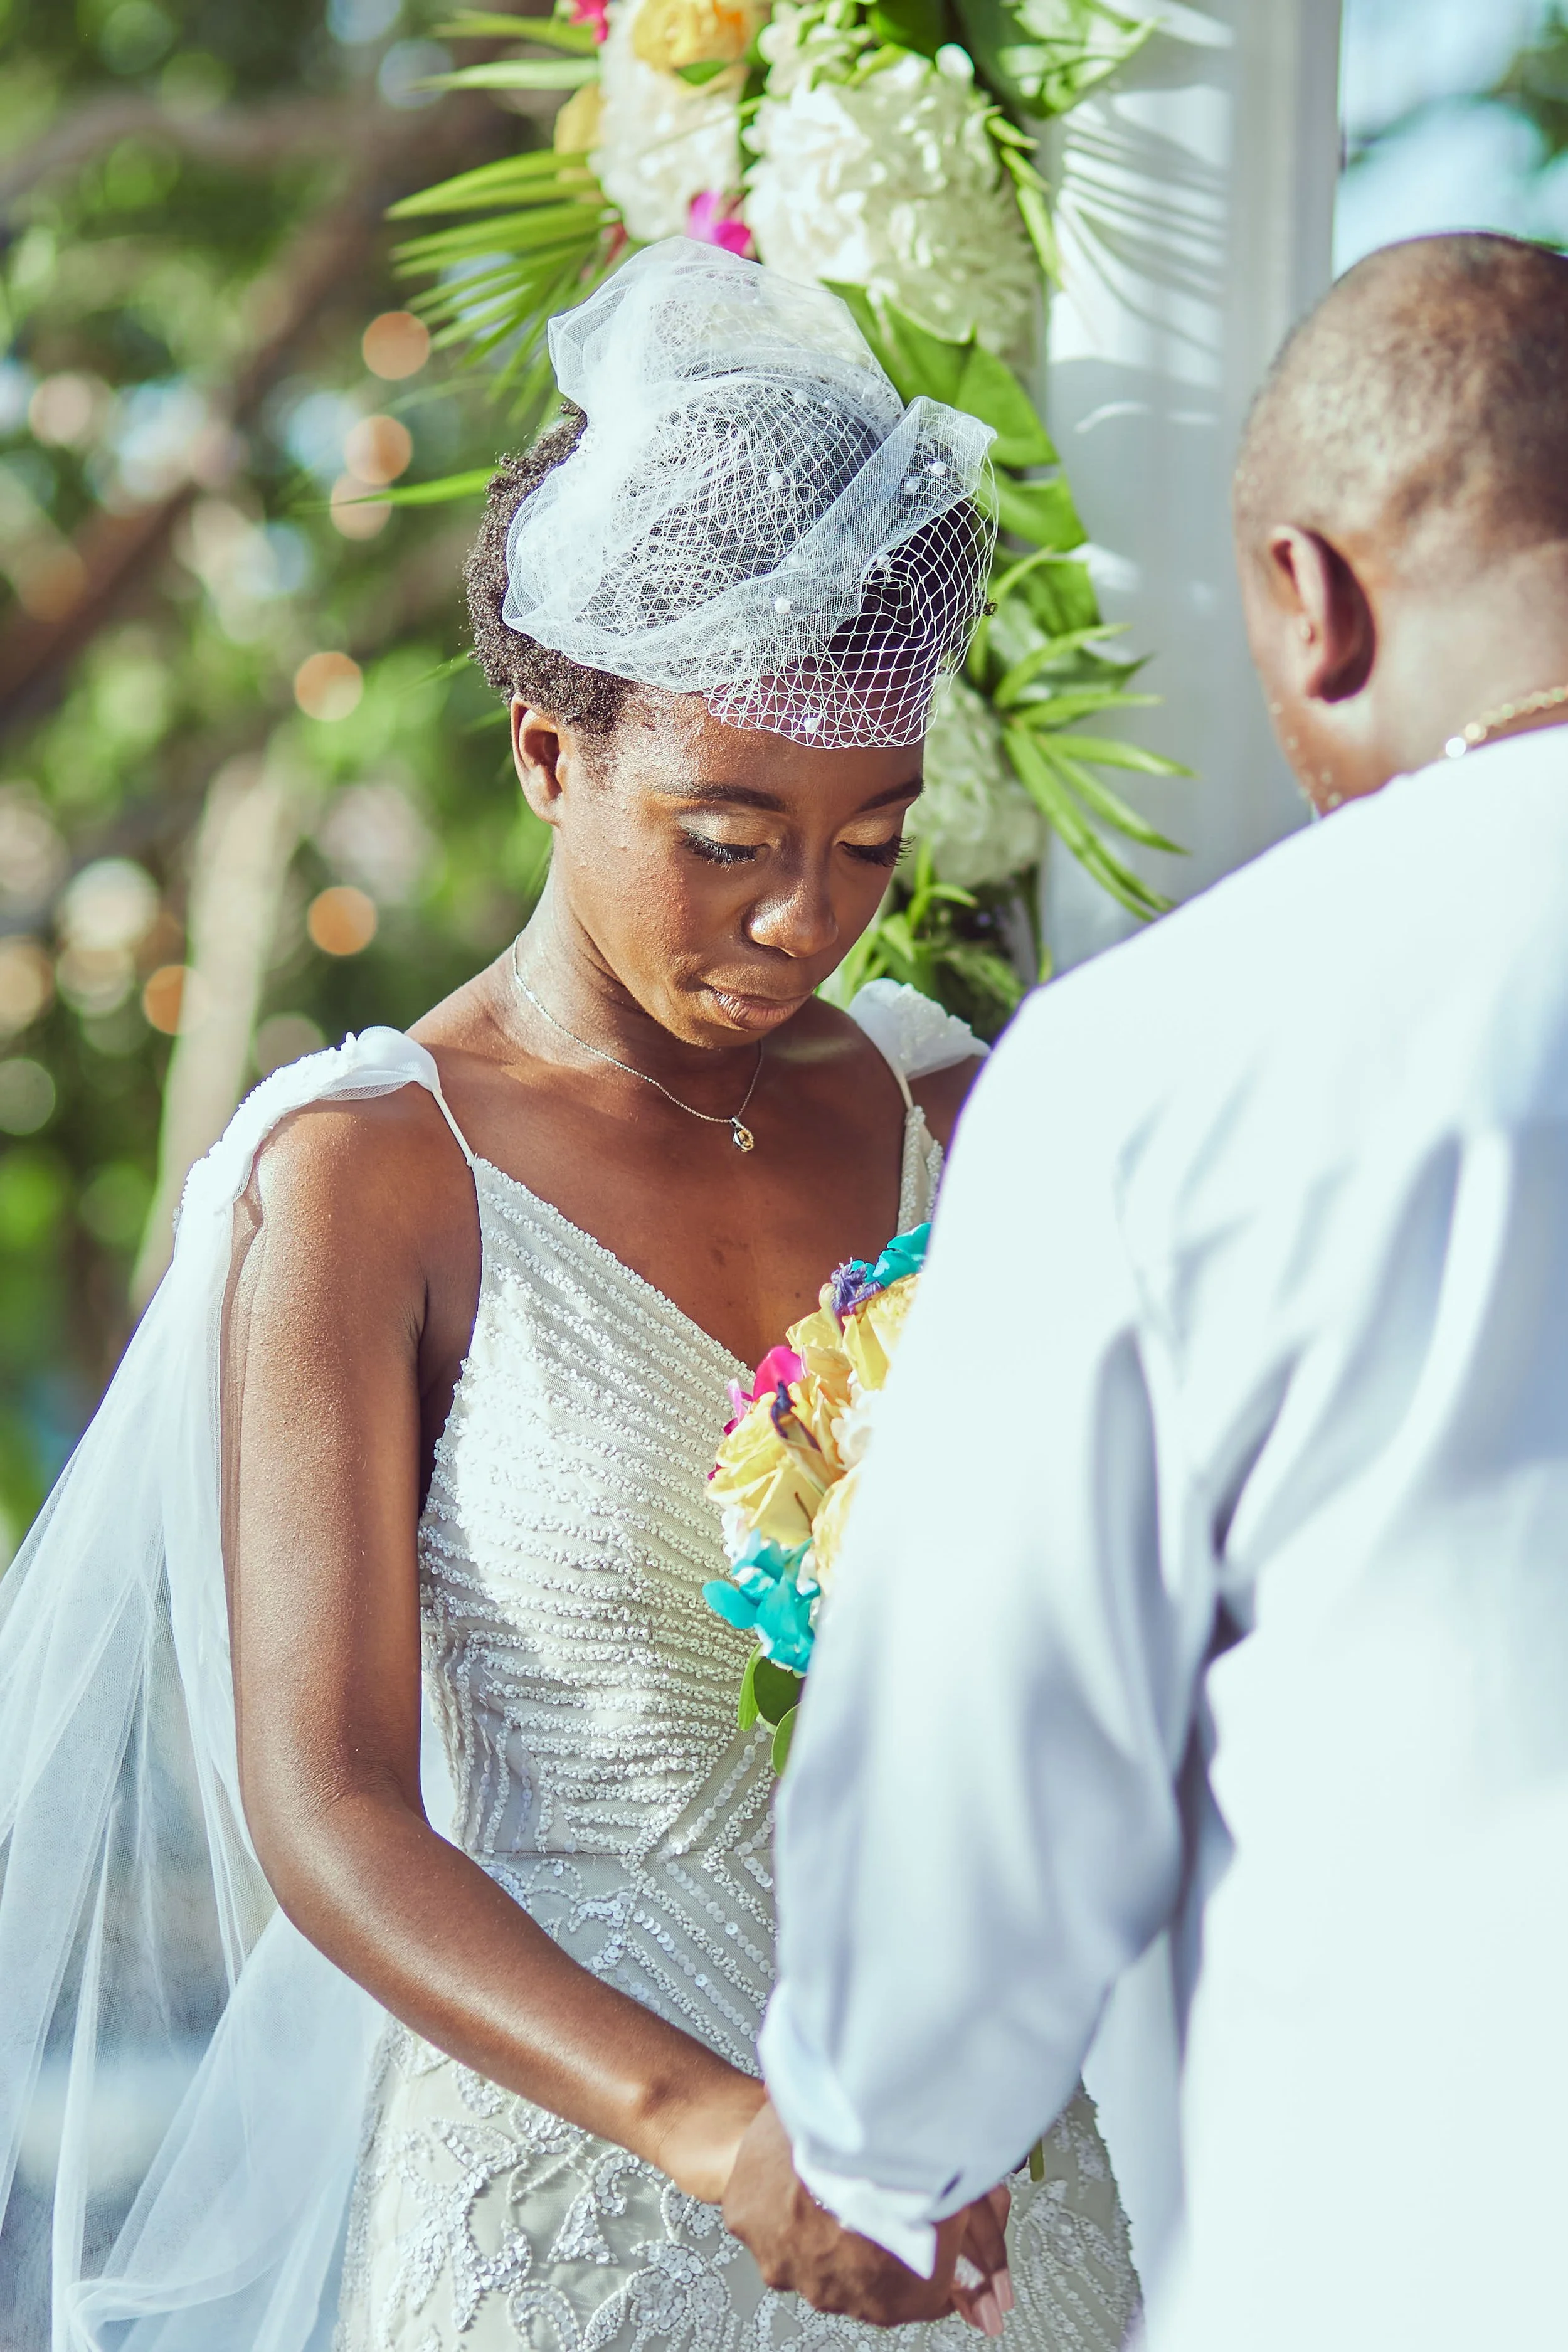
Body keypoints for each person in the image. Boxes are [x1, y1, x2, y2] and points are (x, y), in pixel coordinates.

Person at [0, 240, 1139, 2352]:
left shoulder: (956, 1117)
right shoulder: (361, 1179)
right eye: (728, 834)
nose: (807, 914)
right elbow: (324, 1801)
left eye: (871, 841)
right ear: (546, 753)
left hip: (970, 2171)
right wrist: (714, 2134)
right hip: (577, 2197)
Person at [729, 229, 1568, 2351]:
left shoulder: (1173, 1056)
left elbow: (986, 1750)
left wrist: (887, 2148)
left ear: (1313, 592)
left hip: (1443, 2238)